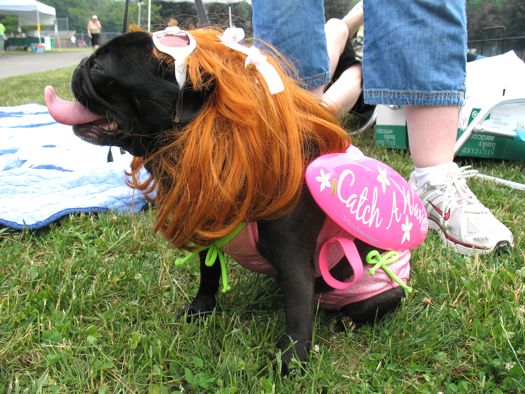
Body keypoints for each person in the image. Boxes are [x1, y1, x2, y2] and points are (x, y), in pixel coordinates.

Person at [252, 1, 513, 255]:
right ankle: (294, 168)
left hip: (353, 73)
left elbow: (353, 73)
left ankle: (435, 180)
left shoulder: (354, 63)